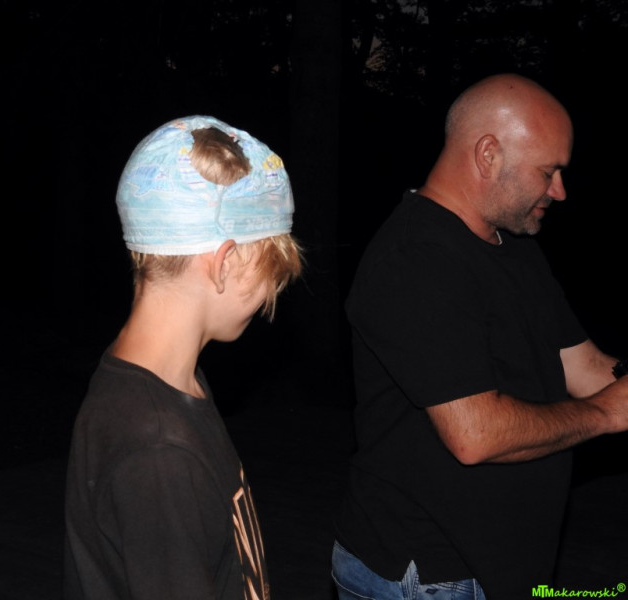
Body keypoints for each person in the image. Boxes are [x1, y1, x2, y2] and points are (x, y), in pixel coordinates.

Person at [332, 73, 628, 600]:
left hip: (502, 563)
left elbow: (586, 369)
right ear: (488, 154)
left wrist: (615, 395)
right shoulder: (416, 260)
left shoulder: (513, 244)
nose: (560, 191)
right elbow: (476, 434)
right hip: (430, 574)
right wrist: (605, 414)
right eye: (548, 171)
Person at [63, 115, 303, 600]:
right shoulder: (159, 450)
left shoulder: (169, 381)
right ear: (224, 262)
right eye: (271, 272)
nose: (269, 296)